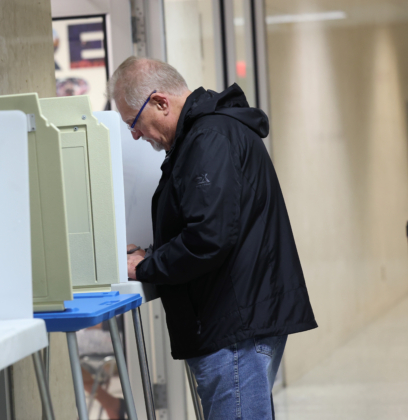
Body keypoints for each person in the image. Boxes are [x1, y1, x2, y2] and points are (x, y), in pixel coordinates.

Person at [108, 56, 317, 419]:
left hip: (232, 328)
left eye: (133, 122)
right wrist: (154, 253)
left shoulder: (209, 139)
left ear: (160, 102)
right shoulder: (207, 135)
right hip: (238, 322)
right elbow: (214, 226)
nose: (135, 135)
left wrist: (147, 266)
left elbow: (208, 238)